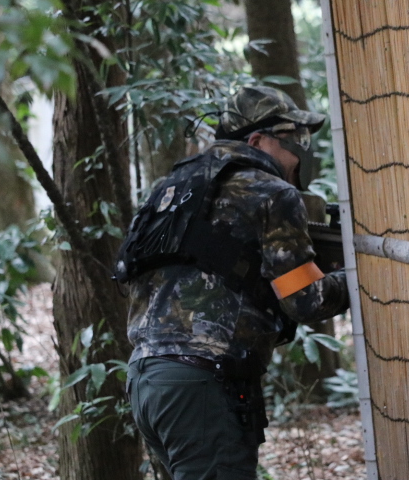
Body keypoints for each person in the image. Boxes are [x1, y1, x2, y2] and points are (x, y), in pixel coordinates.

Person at [122, 86, 349, 479]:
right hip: (202, 385)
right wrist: (357, 279)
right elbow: (305, 300)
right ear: (256, 141)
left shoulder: (170, 188)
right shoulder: (271, 193)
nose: (300, 153)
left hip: (146, 379)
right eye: (293, 139)